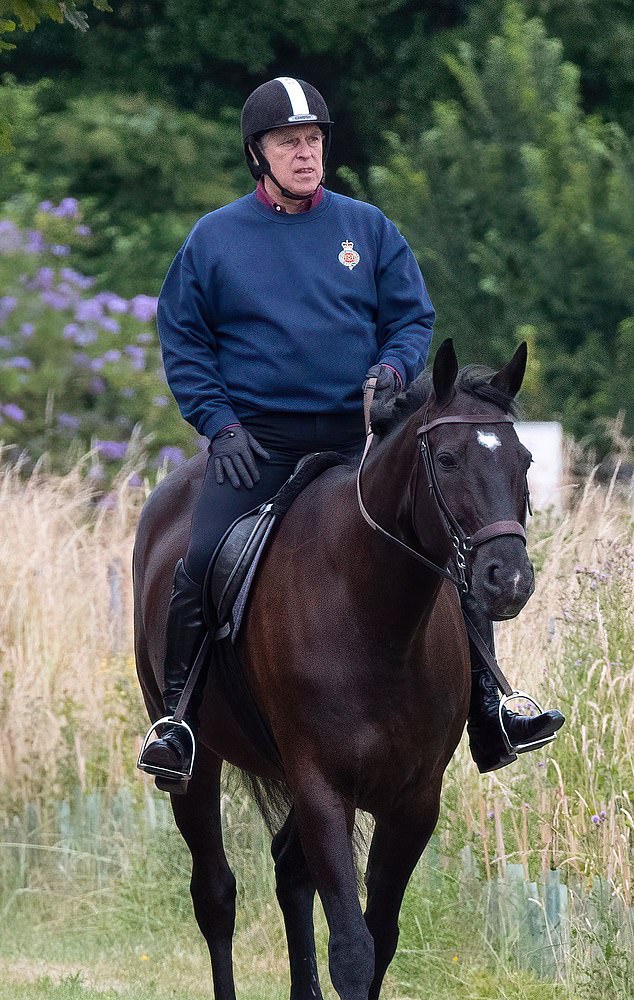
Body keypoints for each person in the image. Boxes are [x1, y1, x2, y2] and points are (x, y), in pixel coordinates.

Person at [138, 76, 563, 790]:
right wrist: (220, 424)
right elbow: (184, 342)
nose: (305, 154)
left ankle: (492, 706)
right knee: (202, 555)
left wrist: (394, 368)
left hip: (355, 438)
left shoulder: (367, 229)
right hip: (257, 446)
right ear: (258, 154)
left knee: (446, 544)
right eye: (288, 142)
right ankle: (179, 720)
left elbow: (411, 317)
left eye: (313, 140)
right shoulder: (213, 240)